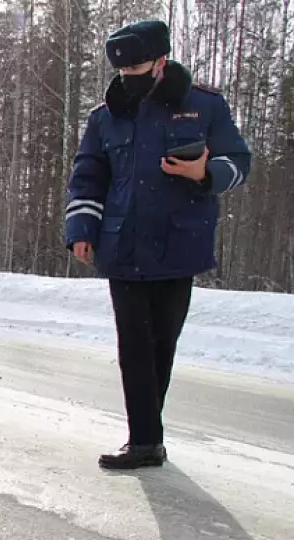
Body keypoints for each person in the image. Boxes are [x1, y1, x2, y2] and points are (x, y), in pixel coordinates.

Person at [64, 20, 251, 469]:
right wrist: (82, 230)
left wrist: (203, 173)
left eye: (139, 66)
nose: (129, 76)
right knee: (134, 343)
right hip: (123, 247)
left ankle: (149, 433)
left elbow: (239, 161)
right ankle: (145, 440)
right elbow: (88, 175)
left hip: (179, 245)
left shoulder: (204, 106)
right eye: (123, 69)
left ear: (161, 62)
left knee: (162, 344)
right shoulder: (104, 117)